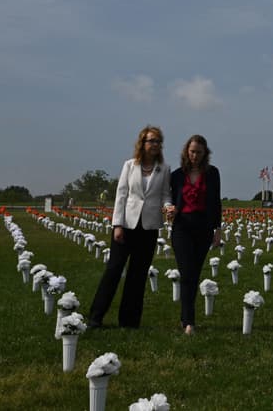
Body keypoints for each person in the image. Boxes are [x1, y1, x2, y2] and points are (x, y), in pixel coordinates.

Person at [87, 125, 174, 329]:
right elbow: (121, 195)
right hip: (126, 225)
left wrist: (169, 207)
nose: (155, 144)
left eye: (158, 141)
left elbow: (165, 195)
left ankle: (129, 321)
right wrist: (117, 225)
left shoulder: (164, 169)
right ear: (142, 143)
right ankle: (95, 317)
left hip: (149, 226)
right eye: (151, 140)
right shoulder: (129, 165)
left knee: (138, 274)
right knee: (114, 270)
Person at [170, 134, 223, 334]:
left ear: (205, 153)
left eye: (199, 152)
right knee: (187, 273)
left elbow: (216, 202)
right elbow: (169, 200)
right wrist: (169, 210)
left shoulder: (212, 173)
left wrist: (217, 230)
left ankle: (187, 318)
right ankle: (188, 321)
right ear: (186, 151)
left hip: (203, 227)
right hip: (182, 227)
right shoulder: (176, 175)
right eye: (192, 151)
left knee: (195, 273)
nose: (195, 156)